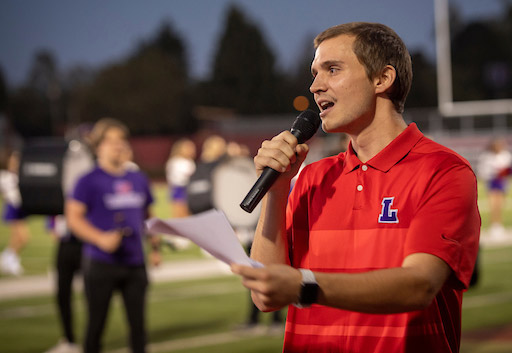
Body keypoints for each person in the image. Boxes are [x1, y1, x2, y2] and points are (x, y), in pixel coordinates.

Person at [231, 22, 480, 353]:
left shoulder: (444, 171)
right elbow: (263, 297)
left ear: (382, 79)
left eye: (332, 69)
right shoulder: (309, 177)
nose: (315, 86)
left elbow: (419, 286)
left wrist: (306, 286)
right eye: (315, 73)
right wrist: (276, 192)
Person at [66, 118, 160, 353]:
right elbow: (73, 218)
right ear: (98, 146)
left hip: (135, 263)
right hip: (101, 263)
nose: (117, 145)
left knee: (138, 329)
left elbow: (148, 216)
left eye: (121, 140)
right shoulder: (88, 180)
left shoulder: (138, 178)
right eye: (110, 141)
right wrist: (100, 238)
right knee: (96, 327)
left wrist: (155, 247)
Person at [44, 215, 82, 353]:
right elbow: (54, 232)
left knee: (96, 294)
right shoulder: (58, 198)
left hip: (88, 245)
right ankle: (69, 339)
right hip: (66, 246)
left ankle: (93, 339)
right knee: (63, 295)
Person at [0, 148, 30, 276]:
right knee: (24, 237)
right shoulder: (4, 175)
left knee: (17, 238)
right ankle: (8, 258)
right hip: (13, 207)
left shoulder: (19, 174)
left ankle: (8, 258)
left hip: (20, 208)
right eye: (14, 158)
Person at [476, 137, 512, 240]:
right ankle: (494, 225)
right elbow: (482, 170)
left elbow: (508, 169)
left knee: (499, 204)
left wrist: (504, 173)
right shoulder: (486, 156)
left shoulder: (506, 155)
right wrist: (493, 173)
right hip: (491, 182)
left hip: (501, 182)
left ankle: (499, 225)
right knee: (493, 204)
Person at [165, 138, 196, 218]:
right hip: (179, 189)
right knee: (180, 214)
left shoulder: (190, 162)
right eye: (188, 148)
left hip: (189, 189)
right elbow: (177, 178)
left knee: (189, 214)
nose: (192, 150)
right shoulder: (175, 161)